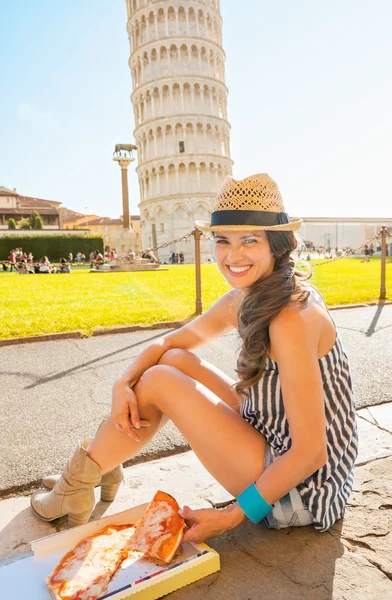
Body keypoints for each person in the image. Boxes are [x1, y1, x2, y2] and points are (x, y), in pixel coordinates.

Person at [30, 174, 358, 541]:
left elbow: (311, 453)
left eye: (249, 240)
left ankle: (80, 481)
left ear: (276, 245)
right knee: (171, 361)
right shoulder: (252, 296)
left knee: (159, 380)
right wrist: (121, 382)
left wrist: (231, 517)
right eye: (223, 241)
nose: (233, 256)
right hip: (273, 432)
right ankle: (93, 469)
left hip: (303, 490)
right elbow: (170, 343)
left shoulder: (291, 319)